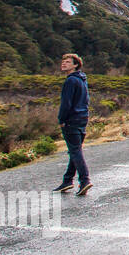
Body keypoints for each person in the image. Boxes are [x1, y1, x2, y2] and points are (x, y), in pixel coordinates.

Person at [53, 53, 91, 196]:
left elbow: (66, 103)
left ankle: (85, 180)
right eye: (63, 61)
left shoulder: (70, 81)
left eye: (68, 62)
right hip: (82, 118)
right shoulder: (82, 79)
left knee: (75, 151)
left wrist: (61, 120)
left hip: (72, 120)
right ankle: (67, 180)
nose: (64, 64)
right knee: (75, 151)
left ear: (76, 65)